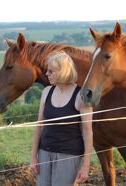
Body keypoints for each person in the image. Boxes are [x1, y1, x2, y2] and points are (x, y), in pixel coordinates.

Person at [30, 51, 93, 186]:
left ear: (63, 72)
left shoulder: (81, 96)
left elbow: (87, 133)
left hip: (69, 156)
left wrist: (85, 166)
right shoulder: (46, 92)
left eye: (51, 71)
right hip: (44, 154)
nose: (47, 74)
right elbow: (39, 125)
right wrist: (33, 156)